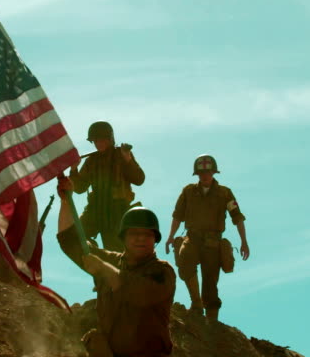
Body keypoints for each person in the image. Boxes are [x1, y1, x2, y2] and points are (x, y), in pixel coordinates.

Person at [57, 176, 175, 357]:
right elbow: (69, 241)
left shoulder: (162, 271)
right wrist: (66, 201)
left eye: (148, 234)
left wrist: (103, 269)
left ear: (155, 240)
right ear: (124, 238)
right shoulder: (112, 261)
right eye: (134, 233)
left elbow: (138, 292)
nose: (141, 238)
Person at [165, 154, 249, 322]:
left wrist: (244, 241)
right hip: (192, 238)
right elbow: (177, 216)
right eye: (201, 173)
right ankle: (196, 304)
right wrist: (171, 237)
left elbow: (237, 217)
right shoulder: (188, 191)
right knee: (184, 262)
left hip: (213, 242)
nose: (205, 176)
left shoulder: (224, 193)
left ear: (214, 173)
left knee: (210, 283)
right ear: (197, 174)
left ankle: (212, 321)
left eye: (208, 173)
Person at [69, 121, 145, 252]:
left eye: (102, 140)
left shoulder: (121, 155)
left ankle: (112, 267)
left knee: (116, 252)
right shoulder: (91, 161)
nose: (99, 144)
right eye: (96, 141)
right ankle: (97, 258)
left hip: (117, 210)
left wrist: (128, 159)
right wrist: (74, 169)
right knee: (75, 235)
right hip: (95, 209)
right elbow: (79, 188)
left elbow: (139, 179)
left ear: (110, 139)